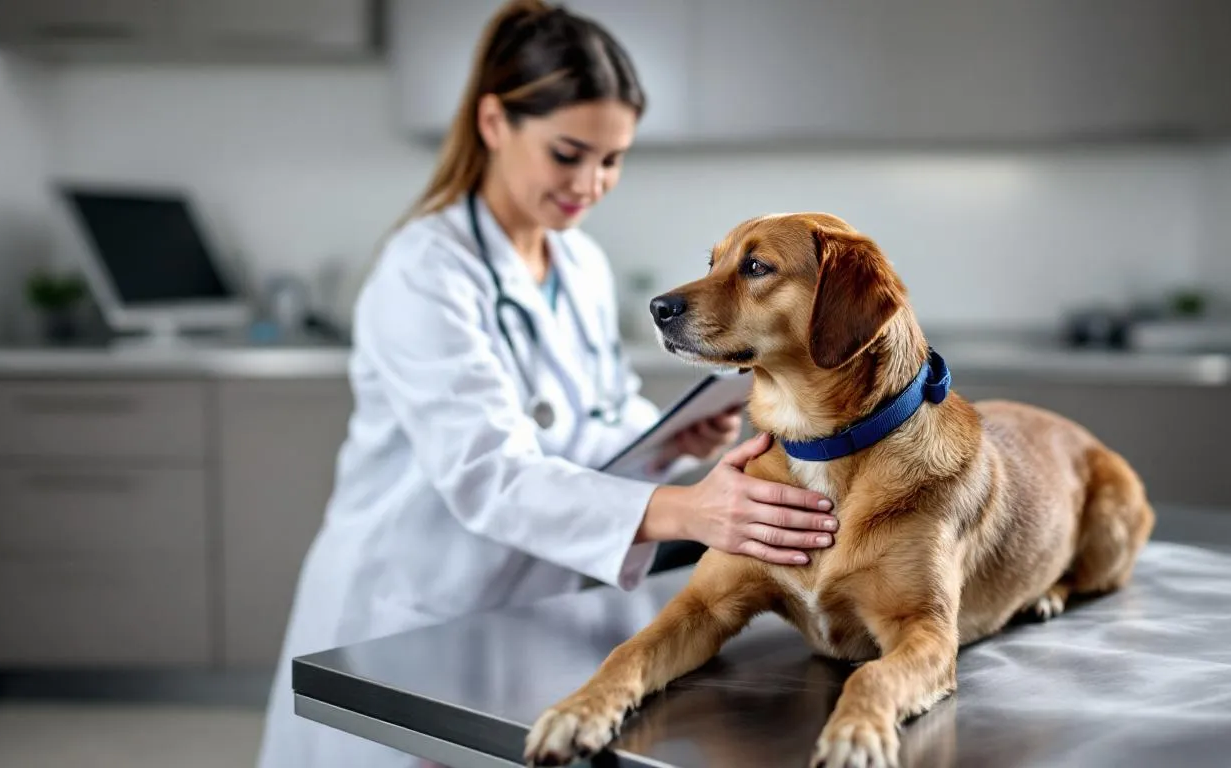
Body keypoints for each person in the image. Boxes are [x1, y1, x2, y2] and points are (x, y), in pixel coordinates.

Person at [255, 2, 838, 766]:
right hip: (407, 610)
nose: (591, 183)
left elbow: (587, 416)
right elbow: (489, 472)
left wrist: (662, 442)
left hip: (529, 608)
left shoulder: (580, 264)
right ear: (495, 122)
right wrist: (685, 510)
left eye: (612, 158)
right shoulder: (425, 270)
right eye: (569, 154)